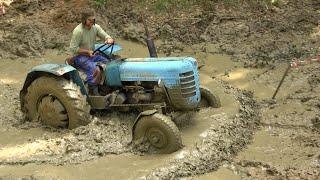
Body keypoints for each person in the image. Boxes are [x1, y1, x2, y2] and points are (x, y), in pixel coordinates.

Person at [69, 9, 114, 95]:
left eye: (93, 19)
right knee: (95, 70)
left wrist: (108, 38)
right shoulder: (78, 31)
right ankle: (92, 91)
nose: (92, 22)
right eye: (89, 20)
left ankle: (106, 85)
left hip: (92, 54)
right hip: (79, 57)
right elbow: (73, 48)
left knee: (109, 63)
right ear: (84, 20)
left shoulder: (95, 27)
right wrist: (87, 52)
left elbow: (103, 34)